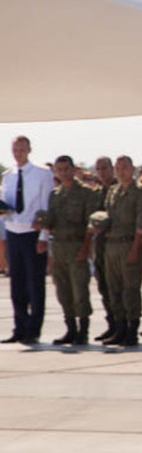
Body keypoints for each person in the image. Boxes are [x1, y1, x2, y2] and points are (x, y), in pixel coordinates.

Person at [1, 136, 54, 344]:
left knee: (35, 284)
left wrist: (43, 236)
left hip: (33, 233)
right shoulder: (8, 176)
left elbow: (46, 207)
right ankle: (20, 327)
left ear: (29, 149)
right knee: (17, 284)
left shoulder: (42, 173)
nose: (18, 153)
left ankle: (34, 329)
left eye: (22, 149)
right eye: (15, 149)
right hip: (14, 231)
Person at [43, 155, 98, 345]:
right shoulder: (54, 195)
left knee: (80, 290)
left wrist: (86, 247)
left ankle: (83, 330)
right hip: (58, 246)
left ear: (74, 170)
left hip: (77, 245)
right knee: (63, 290)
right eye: (59, 170)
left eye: (66, 169)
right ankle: (70, 329)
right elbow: (50, 222)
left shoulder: (85, 193)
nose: (63, 173)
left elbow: (90, 225)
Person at [101, 156, 142, 347]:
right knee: (114, 289)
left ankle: (132, 329)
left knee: (130, 289)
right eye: (118, 168)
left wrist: (136, 249)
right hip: (112, 245)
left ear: (132, 169)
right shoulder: (113, 191)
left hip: (130, 244)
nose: (121, 171)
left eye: (125, 168)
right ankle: (119, 327)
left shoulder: (140, 192)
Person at [91, 155, 119, 341]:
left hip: (116, 245)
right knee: (104, 286)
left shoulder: (118, 189)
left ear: (112, 168)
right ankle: (112, 324)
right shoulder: (97, 192)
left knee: (118, 288)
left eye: (104, 168)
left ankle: (122, 325)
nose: (101, 172)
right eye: (98, 169)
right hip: (100, 246)